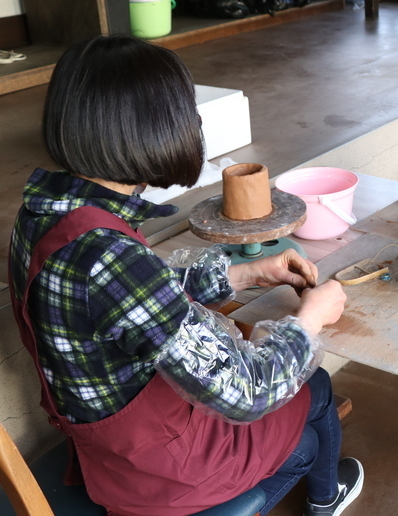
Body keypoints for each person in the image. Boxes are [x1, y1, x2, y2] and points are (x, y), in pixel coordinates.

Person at [7, 36, 364, 516]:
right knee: (314, 389)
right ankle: (324, 498)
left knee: (301, 408)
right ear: (154, 128)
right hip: (159, 469)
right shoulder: (107, 254)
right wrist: (310, 321)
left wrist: (243, 274)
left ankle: (315, 484)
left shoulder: (44, 213)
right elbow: (246, 392)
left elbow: (128, 304)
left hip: (110, 445)